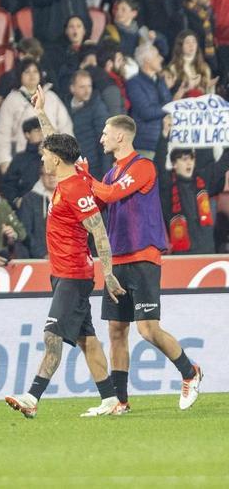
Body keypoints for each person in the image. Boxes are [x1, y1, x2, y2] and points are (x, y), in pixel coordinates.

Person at [4, 88, 126, 419]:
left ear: (56, 159)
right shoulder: (72, 172)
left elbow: (98, 230)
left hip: (74, 275)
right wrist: (42, 110)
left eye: (45, 155)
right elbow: (55, 138)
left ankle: (32, 397)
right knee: (87, 339)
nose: (42, 158)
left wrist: (109, 273)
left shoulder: (75, 189)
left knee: (51, 334)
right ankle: (111, 399)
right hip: (62, 274)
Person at [87, 115, 199, 411]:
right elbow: (98, 202)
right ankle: (120, 402)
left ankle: (190, 372)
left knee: (147, 329)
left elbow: (110, 194)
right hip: (117, 260)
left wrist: (86, 178)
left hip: (143, 257)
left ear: (121, 137)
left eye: (105, 133)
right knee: (116, 331)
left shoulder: (143, 167)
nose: (101, 138)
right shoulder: (111, 173)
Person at [126, 44, 173, 158]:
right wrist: (168, 107)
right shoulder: (134, 83)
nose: (161, 58)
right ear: (147, 60)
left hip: (165, 142)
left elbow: (169, 103)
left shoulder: (160, 81)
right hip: (146, 146)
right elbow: (146, 112)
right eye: (157, 56)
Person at [66, 70, 109, 179]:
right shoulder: (64, 106)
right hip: (71, 168)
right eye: (82, 87)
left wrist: (106, 174)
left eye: (89, 86)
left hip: (93, 169)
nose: (87, 91)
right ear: (72, 88)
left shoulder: (98, 107)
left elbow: (105, 141)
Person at [0, 118, 47, 202]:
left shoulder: (55, 154)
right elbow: (8, 184)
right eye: (37, 130)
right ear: (27, 134)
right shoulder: (20, 159)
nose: (41, 134)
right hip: (27, 204)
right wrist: (16, 200)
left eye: (43, 130)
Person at [15, 169, 57, 259]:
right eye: (47, 174)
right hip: (39, 260)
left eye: (54, 174)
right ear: (41, 177)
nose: (51, 178)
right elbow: (25, 232)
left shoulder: (71, 197)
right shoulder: (29, 200)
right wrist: (42, 254)